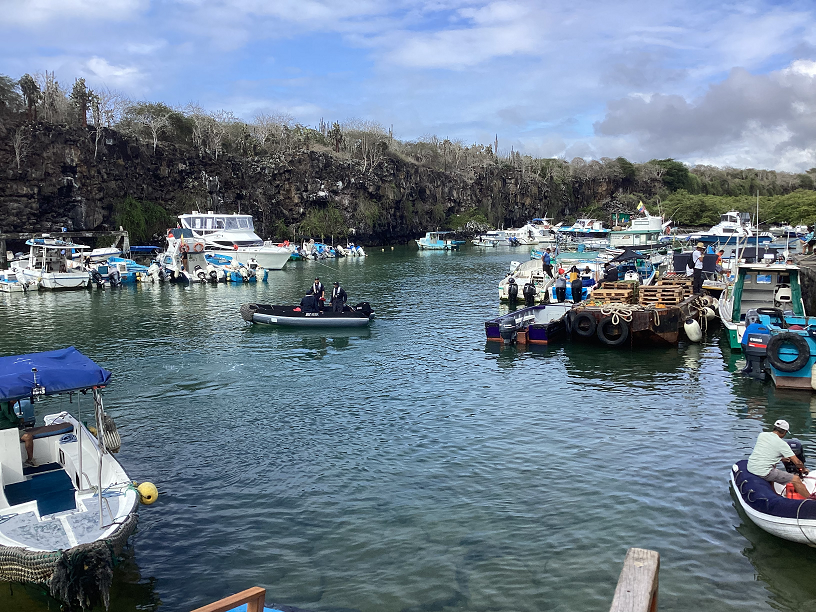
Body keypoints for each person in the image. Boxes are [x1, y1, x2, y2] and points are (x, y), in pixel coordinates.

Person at [747, 419, 811, 498]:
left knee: (773, 466)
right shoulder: (782, 444)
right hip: (763, 472)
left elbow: (766, 452)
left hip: (751, 467)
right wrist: (804, 469)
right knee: (796, 479)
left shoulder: (762, 435)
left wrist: (781, 459)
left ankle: (773, 491)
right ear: (784, 432)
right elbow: (797, 462)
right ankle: (811, 501)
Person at [0, 401, 36, 467]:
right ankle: (30, 460)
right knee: (28, 437)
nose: (16, 402)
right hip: (8, 430)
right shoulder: (5, 404)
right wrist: (20, 420)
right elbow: (13, 419)